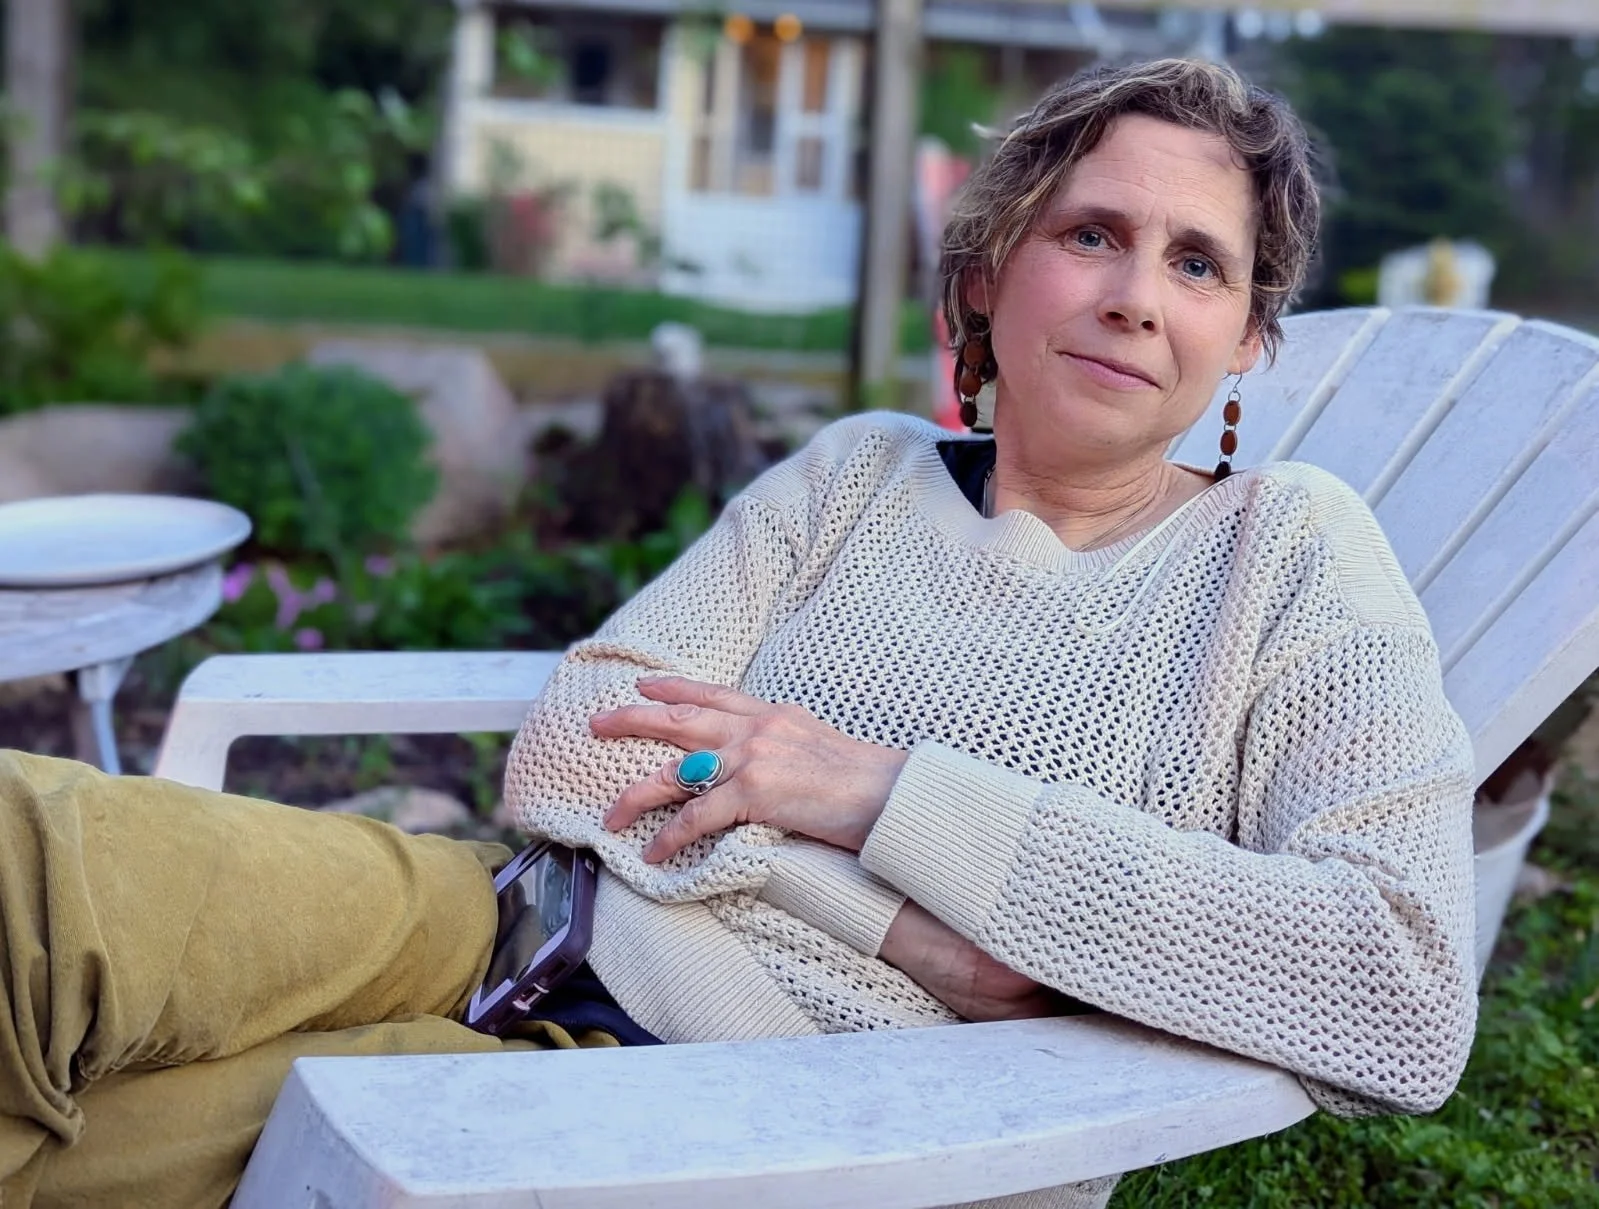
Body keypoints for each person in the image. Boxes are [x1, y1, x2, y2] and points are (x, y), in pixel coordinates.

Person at [0, 58, 1477, 1209]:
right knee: (33, 847)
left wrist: (871, 788)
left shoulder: (1287, 557)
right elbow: (585, 733)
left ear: (1249, 342)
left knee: (87, 1153)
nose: (1136, 296)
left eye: (1196, 262)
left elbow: (1397, 984)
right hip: (511, 910)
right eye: (1091, 233)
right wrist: (900, 916)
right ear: (987, 273)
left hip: (732, 1104)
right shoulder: (857, 474)